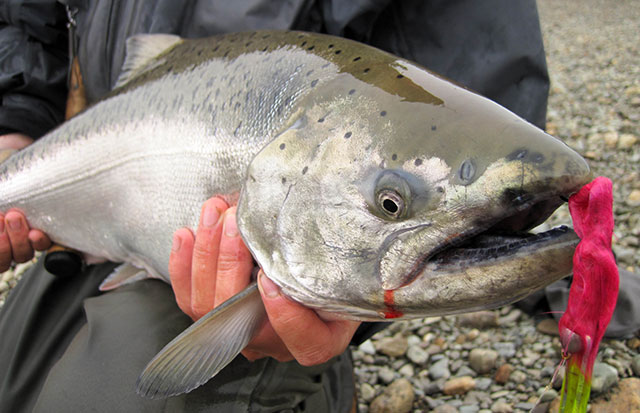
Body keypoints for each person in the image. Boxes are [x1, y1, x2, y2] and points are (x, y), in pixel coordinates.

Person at [0, 1, 553, 411]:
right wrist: (17, 125)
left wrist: (342, 316)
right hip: (85, 194)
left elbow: (472, 118)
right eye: (390, 202)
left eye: (389, 203)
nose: (390, 203)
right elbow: (29, 20)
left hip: (261, 285)